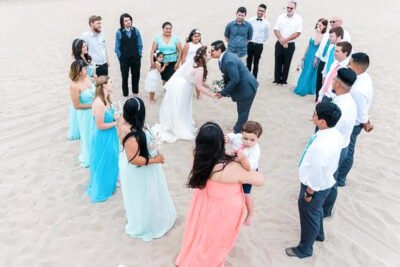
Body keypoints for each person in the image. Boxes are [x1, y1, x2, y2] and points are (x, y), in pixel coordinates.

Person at [175, 122, 264, 266]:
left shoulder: (196, 155)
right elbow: (260, 180)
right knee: (215, 241)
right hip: (223, 209)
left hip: (202, 201)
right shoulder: (229, 166)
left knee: (199, 232)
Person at [286, 101, 343, 259]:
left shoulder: (321, 146)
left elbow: (317, 170)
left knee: (308, 214)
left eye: (315, 115)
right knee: (315, 211)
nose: (313, 116)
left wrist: (310, 191)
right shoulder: (335, 134)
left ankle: (304, 249)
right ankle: (319, 234)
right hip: (325, 181)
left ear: (323, 122)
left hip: (315, 185)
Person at [118, 97, 176, 241]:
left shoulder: (123, 120)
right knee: (141, 195)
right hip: (138, 169)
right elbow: (134, 159)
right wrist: (156, 160)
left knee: (144, 194)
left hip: (139, 161)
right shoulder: (131, 135)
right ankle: (144, 224)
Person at [159, 46, 215, 143]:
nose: (212, 53)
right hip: (183, 87)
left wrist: (211, 87)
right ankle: (178, 126)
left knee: (180, 107)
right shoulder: (200, 66)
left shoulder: (197, 61)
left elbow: (198, 81)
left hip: (182, 84)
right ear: (204, 55)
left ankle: (175, 123)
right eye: (210, 52)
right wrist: (212, 95)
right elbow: (199, 86)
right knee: (181, 107)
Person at [322, 68, 357, 218]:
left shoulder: (339, 107)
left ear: (338, 84)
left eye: (334, 79)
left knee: (330, 180)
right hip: (343, 145)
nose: (332, 81)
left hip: (336, 149)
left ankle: (325, 211)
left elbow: (331, 132)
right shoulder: (349, 100)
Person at [336, 53, 374, 186]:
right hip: (357, 121)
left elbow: (361, 111)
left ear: (357, 68)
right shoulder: (365, 76)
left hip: (355, 123)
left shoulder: (357, 89)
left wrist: (366, 123)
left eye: (350, 64)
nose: (347, 65)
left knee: (347, 151)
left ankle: (340, 178)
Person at [211, 40, 258, 134]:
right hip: (244, 85)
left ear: (219, 50)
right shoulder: (226, 56)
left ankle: (238, 131)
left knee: (243, 111)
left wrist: (223, 93)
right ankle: (238, 127)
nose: (211, 52)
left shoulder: (228, 61)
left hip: (247, 87)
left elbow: (235, 79)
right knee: (242, 110)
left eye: (212, 50)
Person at [86, 76, 119, 202]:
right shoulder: (99, 103)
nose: (112, 84)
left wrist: (115, 118)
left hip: (110, 135)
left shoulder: (107, 100)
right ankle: (103, 187)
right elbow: (99, 125)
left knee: (111, 159)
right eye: (110, 82)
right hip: (102, 137)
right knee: (103, 162)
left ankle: (110, 184)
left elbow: (109, 116)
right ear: (104, 85)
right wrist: (116, 123)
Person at [225, 121, 262, 225]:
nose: (248, 142)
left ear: (258, 139)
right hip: (236, 168)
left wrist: (242, 158)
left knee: (246, 194)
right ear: (242, 134)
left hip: (248, 171)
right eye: (245, 138)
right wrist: (227, 138)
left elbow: (249, 166)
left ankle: (250, 213)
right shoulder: (239, 138)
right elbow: (232, 137)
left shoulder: (255, 150)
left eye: (252, 140)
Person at [68, 39, 96, 141]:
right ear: (78, 49)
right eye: (83, 46)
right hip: (83, 88)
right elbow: (77, 77)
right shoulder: (77, 62)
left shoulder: (86, 58)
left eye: (86, 46)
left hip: (90, 83)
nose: (86, 48)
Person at [69, 60, 95, 168]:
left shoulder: (87, 79)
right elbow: (76, 105)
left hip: (95, 111)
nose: (86, 70)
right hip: (85, 114)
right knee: (87, 134)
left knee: (95, 133)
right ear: (79, 72)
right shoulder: (74, 86)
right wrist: (92, 106)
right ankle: (89, 157)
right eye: (84, 69)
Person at [293, 18, 328, 96]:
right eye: (318, 24)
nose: (318, 26)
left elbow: (316, 43)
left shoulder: (323, 35)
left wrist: (318, 32)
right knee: (305, 70)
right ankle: (301, 86)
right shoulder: (315, 33)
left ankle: (306, 89)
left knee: (310, 71)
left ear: (325, 26)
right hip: (309, 54)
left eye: (321, 25)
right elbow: (309, 45)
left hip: (314, 56)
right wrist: (304, 55)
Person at [273, 1, 302, 85]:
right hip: (279, 42)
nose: (289, 9)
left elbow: (298, 32)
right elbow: (276, 29)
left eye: (291, 8)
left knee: (287, 63)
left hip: (290, 44)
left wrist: (286, 40)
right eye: (288, 7)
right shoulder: (281, 16)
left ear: (295, 9)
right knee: (277, 62)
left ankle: (283, 80)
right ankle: (277, 80)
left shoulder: (298, 18)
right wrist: (281, 39)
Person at [115, 13, 143, 97]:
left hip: (135, 57)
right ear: (122, 22)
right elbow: (117, 47)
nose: (128, 22)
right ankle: (125, 94)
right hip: (124, 59)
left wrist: (139, 54)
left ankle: (135, 92)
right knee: (125, 76)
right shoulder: (119, 32)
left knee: (136, 75)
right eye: (126, 21)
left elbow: (140, 44)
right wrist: (120, 57)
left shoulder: (136, 30)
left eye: (129, 20)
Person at [246, 4, 270, 78]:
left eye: (262, 11)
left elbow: (266, 35)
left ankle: (254, 79)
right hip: (250, 44)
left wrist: (260, 41)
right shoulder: (250, 20)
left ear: (264, 12)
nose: (260, 12)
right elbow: (247, 31)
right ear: (257, 10)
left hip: (259, 45)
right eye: (259, 10)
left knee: (256, 63)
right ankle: (247, 78)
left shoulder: (266, 23)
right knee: (248, 61)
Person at [181, 29, 203, 99]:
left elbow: (202, 56)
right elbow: (183, 56)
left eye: (198, 36)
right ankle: (186, 95)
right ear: (191, 37)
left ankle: (198, 95)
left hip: (198, 66)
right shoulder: (188, 45)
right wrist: (183, 67)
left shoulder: (201, 45)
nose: (197, 38)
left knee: (198, 81)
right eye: (195, 36)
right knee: (188, 81)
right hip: (188, 66)